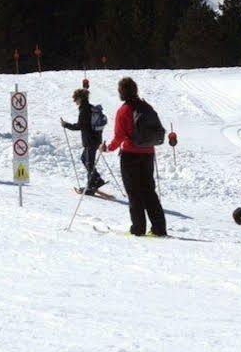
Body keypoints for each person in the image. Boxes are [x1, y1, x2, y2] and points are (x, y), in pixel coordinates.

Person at [104, 77, 168, 236]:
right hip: (148, 153)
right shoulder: (146, 107)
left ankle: (138, 228)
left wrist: (108, 148)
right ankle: (159, 228)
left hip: (130, 155)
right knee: (149, 191)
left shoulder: (123, 111)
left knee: (134, 192)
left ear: (121, 92)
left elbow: (119, 137)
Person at [61, 86, 106, 192]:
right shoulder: (90, 108)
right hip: (95, 139)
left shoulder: (84, 110)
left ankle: (90, 186)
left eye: (75, 99)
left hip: (90, 141)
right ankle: (97, 179)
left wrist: (66, 125)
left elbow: (79, 126)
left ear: (80, 98)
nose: (74, 101)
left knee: (89, 162)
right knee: (84, 159)